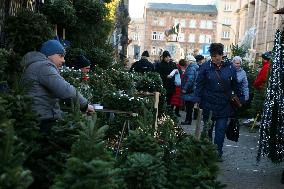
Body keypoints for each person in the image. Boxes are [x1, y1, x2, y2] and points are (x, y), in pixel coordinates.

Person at [21, 39, 94, 133]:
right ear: (49, 54)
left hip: (36, 117)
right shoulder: (44, 66)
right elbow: (65, 90)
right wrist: (84, 105)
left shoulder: (36, 65)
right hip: (43, 121)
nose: (63, 60)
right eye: (60, 56)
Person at [194, 43, 244, 160]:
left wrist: (240, 98)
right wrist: (197, 100)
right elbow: (199, 85)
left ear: (222, 55)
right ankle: (207, 151)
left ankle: (217, 152)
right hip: (208, 103)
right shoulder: (205, 67)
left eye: (218, 57)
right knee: (208, 129)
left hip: (224, 104)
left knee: (220, 130)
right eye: (213, 57)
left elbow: (236, 84)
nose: (215, 59)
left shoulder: (230, 67)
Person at [180, 55, 199, 125]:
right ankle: (188, 120)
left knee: (189, 107)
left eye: (186, 61)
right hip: (192, 90)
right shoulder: (194, 67)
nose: (186, 63)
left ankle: (188, 120)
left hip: (189, 90)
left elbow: (190, 79)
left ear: (189, 61)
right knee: (189, 106)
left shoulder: (191, 68)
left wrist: (185, 88)